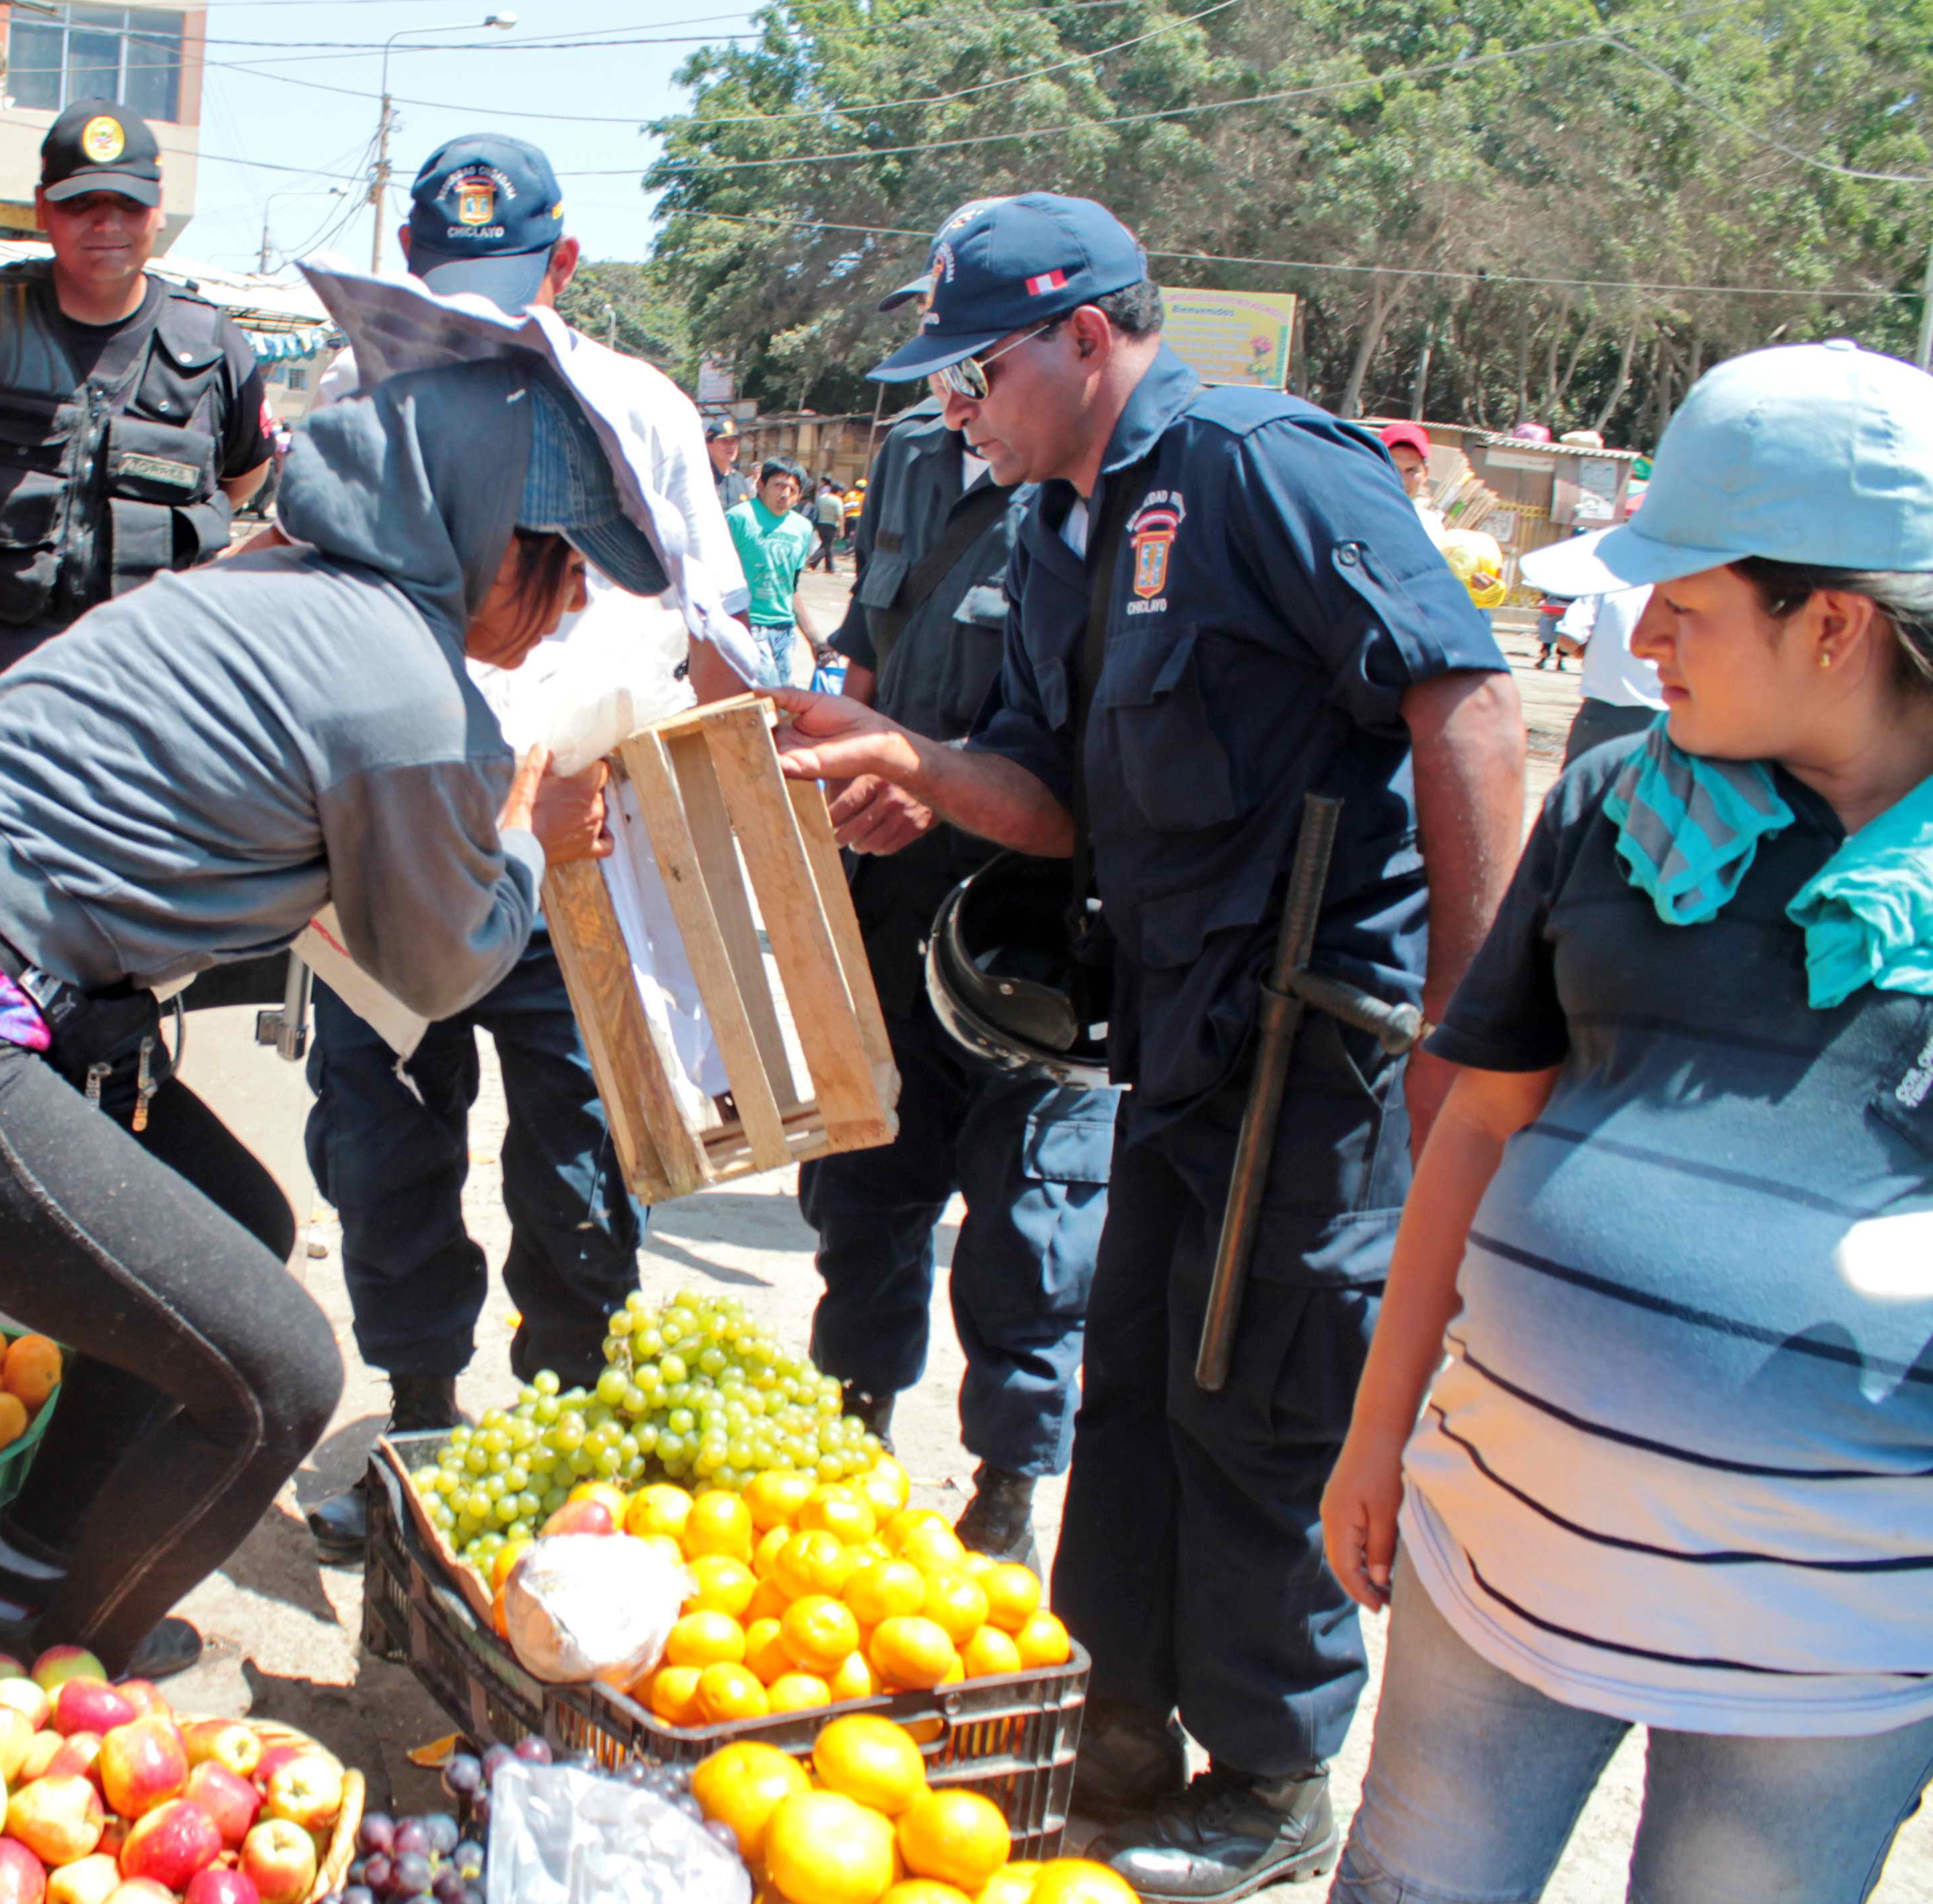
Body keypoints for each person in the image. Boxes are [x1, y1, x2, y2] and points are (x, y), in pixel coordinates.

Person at [772, 193, 1524, 1898]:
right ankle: (1114, 1724)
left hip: (1320, 1037)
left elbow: (1463, 703)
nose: (954, 408)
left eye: (976, 371)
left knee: (1259, 1397)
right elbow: (1046, 795)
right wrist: (914, 762)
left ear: (1088, 336)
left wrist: (1473, 1036)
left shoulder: (1262, 462)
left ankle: (1267, 1780)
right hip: (1168, 1032)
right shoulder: (1054, 530)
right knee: (1134, 1383)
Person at [0, 356, 660, 1678]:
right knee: (280, 1374)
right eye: (568, 561)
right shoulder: (406, 687)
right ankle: (44, 1664)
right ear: (486, 532)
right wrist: (534, 848)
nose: (575, 601)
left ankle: (24, 1584)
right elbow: (442, 971)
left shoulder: (272, 578)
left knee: (233, 1234)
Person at [1320, 340, 1933, 1904]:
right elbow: (1470, 1130)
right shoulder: (1614, 804)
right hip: (1499, 1565)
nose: (1634, 630)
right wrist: (1378, 1427)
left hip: (1831, 1654)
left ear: (1836, 620)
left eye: (1688, 599)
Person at [298, 132, 742, 1566]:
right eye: (445, 286)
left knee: (579, 1163)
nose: (474, 319)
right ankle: (419, 1420)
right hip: (397, 855)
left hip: (576, 871)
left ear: (563, 264)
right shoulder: (347, 387)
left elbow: (712, 627)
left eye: (504, 286)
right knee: (384, 1150)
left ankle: (565, 1447)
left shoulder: (641, 412)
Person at [796, 357, 1114, 1566]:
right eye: (939, 368)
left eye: (975, 367)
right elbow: (871, 656)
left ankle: (1006, 1487)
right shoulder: (912, 463)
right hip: (887, 898)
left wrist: (944, 781)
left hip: (1033, 924)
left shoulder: (1107, 489)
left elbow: (1106, 719)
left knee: (1033, 1213)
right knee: (866, 1177)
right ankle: (852, 1428)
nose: (953, 396)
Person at [0, 100, 275, 708]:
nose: (105, 223)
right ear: (42, 208)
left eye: (128, 203)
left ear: (159, 210)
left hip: (142, 684)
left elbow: (244, 476)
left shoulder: (213, 344)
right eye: (79, 203)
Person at [729, 457, 824, 684]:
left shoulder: (802, 529)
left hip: (784, 630)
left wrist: (814, 639)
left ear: (800, 496)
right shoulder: (739, 518)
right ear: (761, 486)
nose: (785, 494)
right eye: (778, 485)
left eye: (792, 489)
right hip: (748, 625)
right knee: (768, 694)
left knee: (782, 701)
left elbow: (791, 587)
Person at [1558, 576, 1665, 758]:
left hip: (1600, 716)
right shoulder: (1680, 586)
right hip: (1658, 718)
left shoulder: (1604, 584)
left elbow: (1567, 641)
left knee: (1586, 785)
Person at [706, 414, 749, 508]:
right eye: (724, 441)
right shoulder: (702, 479)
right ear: (709, 444)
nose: (730, 446)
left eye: (734, 441)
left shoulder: (739, 479)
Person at [812, 475, 845, 573]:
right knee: (826, 545)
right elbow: (840, 516)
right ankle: (812, 561)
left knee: (828, 546)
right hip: (831, 525)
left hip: (820, 524)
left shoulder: (822, 498)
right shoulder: (837, 500)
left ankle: (829, 568)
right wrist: (842, 530)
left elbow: (817, 510)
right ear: (839, 491)